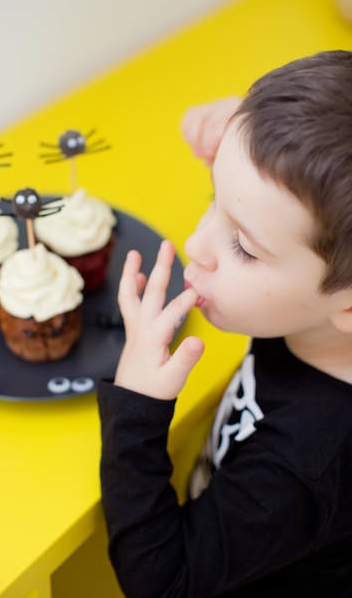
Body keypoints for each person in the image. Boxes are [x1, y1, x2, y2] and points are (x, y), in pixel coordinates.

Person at [97, 50, 352, 597]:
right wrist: (260, 138)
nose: (197, 245)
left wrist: (136, 412)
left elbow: (163, 582)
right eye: (214, 198)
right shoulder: (318, 313)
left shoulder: (300, 469)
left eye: (242, 245)